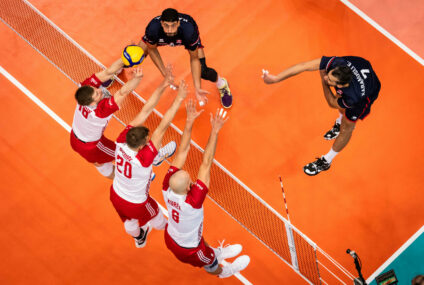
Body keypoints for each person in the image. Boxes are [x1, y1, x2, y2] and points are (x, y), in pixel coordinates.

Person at [162, 104, 250, 278]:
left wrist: (189, 121)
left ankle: (216, 252)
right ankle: (224, 271)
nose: (193, 181)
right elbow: (206, 162)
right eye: (190, 181)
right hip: (188, 250)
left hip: (173, 235)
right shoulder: (193, 202)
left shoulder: (167, 186)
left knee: (197, 235)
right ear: (188, 188)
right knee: (209, 263)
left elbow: (182, 151)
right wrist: (215, 130)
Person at [262, 56, 380, 175]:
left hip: (367, 95)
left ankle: (327, 161)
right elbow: (304, 66)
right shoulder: (337, 63)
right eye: (328, 75)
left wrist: (323, 82)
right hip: (361, 65)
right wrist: (275, 79)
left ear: (341, 85)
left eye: (329, 79)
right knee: (339, 97)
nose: (325, 77)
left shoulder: (354, 97)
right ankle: (338, 124)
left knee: (347, 126)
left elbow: (332, 103)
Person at [110, 72, 187, 248]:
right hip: (137, 203)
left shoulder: (122, 140)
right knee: (159, 221)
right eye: (147, 141)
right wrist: (179, 99)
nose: (150, 140)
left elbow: (146, 110)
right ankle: (176, 238)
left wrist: (164, 84)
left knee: (128, 222)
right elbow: (163, 126)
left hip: (115, 194)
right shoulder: (143, 159)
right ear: (140, 147)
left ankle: (139, 237)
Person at [139, 8, 233, 108]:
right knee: (135, 55)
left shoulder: (189, 31)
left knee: (203, 71)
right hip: (160, 37)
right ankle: (122, 67)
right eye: (166, 26)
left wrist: (197, 88)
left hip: (183, 37)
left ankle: (222, 84)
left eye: (173, 25)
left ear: (178, 23)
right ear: (161, 23)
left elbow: (194, 59)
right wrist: (165, 73)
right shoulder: (153, 28)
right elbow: (151, 49)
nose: (170, 30)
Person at [70, 58, 139, 179]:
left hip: (75, 139)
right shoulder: (98, 113)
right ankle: (132, 178)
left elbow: (108, 72)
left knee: (100, 163)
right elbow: (122, 93)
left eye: (95, 89)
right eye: (97, 94)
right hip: (92, 148)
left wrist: (126, 57)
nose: (99, 90)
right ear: (91, 104)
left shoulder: (84, 89)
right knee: (123, 154)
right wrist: (137, 78)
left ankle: (100, 164)